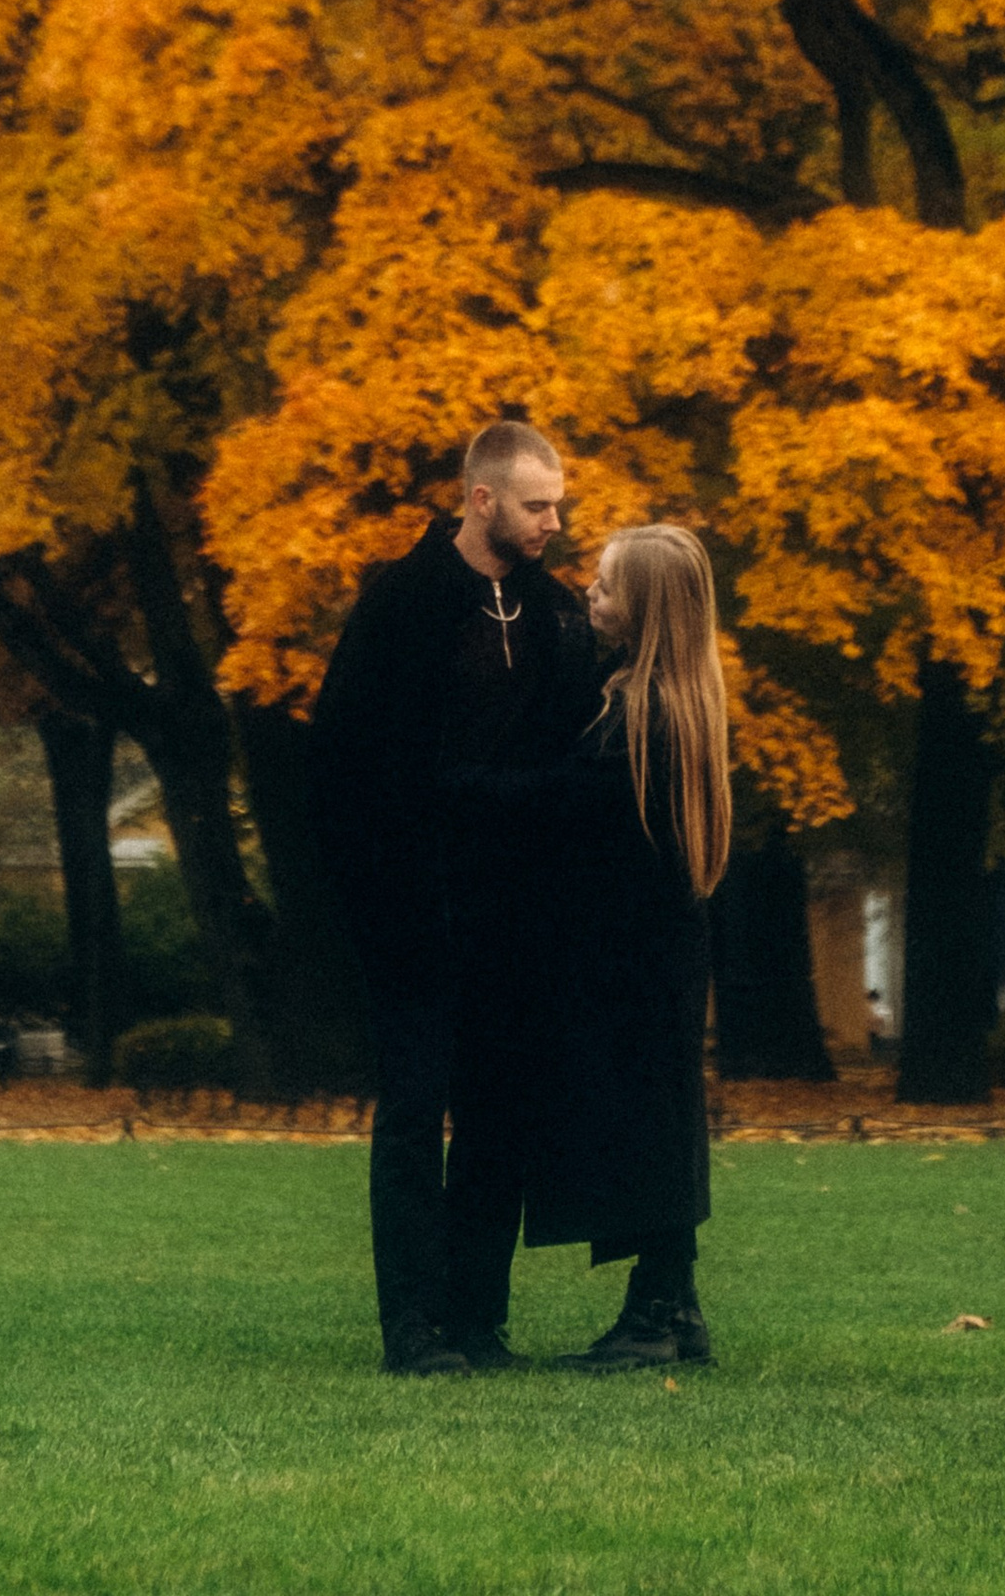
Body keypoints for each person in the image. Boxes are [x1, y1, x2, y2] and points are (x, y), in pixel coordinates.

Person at [309, 417, 598, 1376]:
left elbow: (573, 750)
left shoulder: (553, 611)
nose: (553, 522)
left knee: (497, 1117)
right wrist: (380, 900)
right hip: (416, 907)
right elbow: (347, 762)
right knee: (411, 1116)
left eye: (558, 504)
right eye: (536, 505)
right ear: (481, 500)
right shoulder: (403, 602)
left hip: (518, 911)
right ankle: (413, 1328)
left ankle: (477, 1320)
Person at [467, 521, 731, 1370]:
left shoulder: (642, 718)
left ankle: (657, 1314)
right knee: (658, 1117)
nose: (591, 591)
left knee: (642, 1123)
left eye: (609, 584)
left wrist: (462, 785)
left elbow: (559, 804)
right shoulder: (672, 703)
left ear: (645, 606)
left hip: (626, 957)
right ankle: (670, 1303)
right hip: (654, 950)